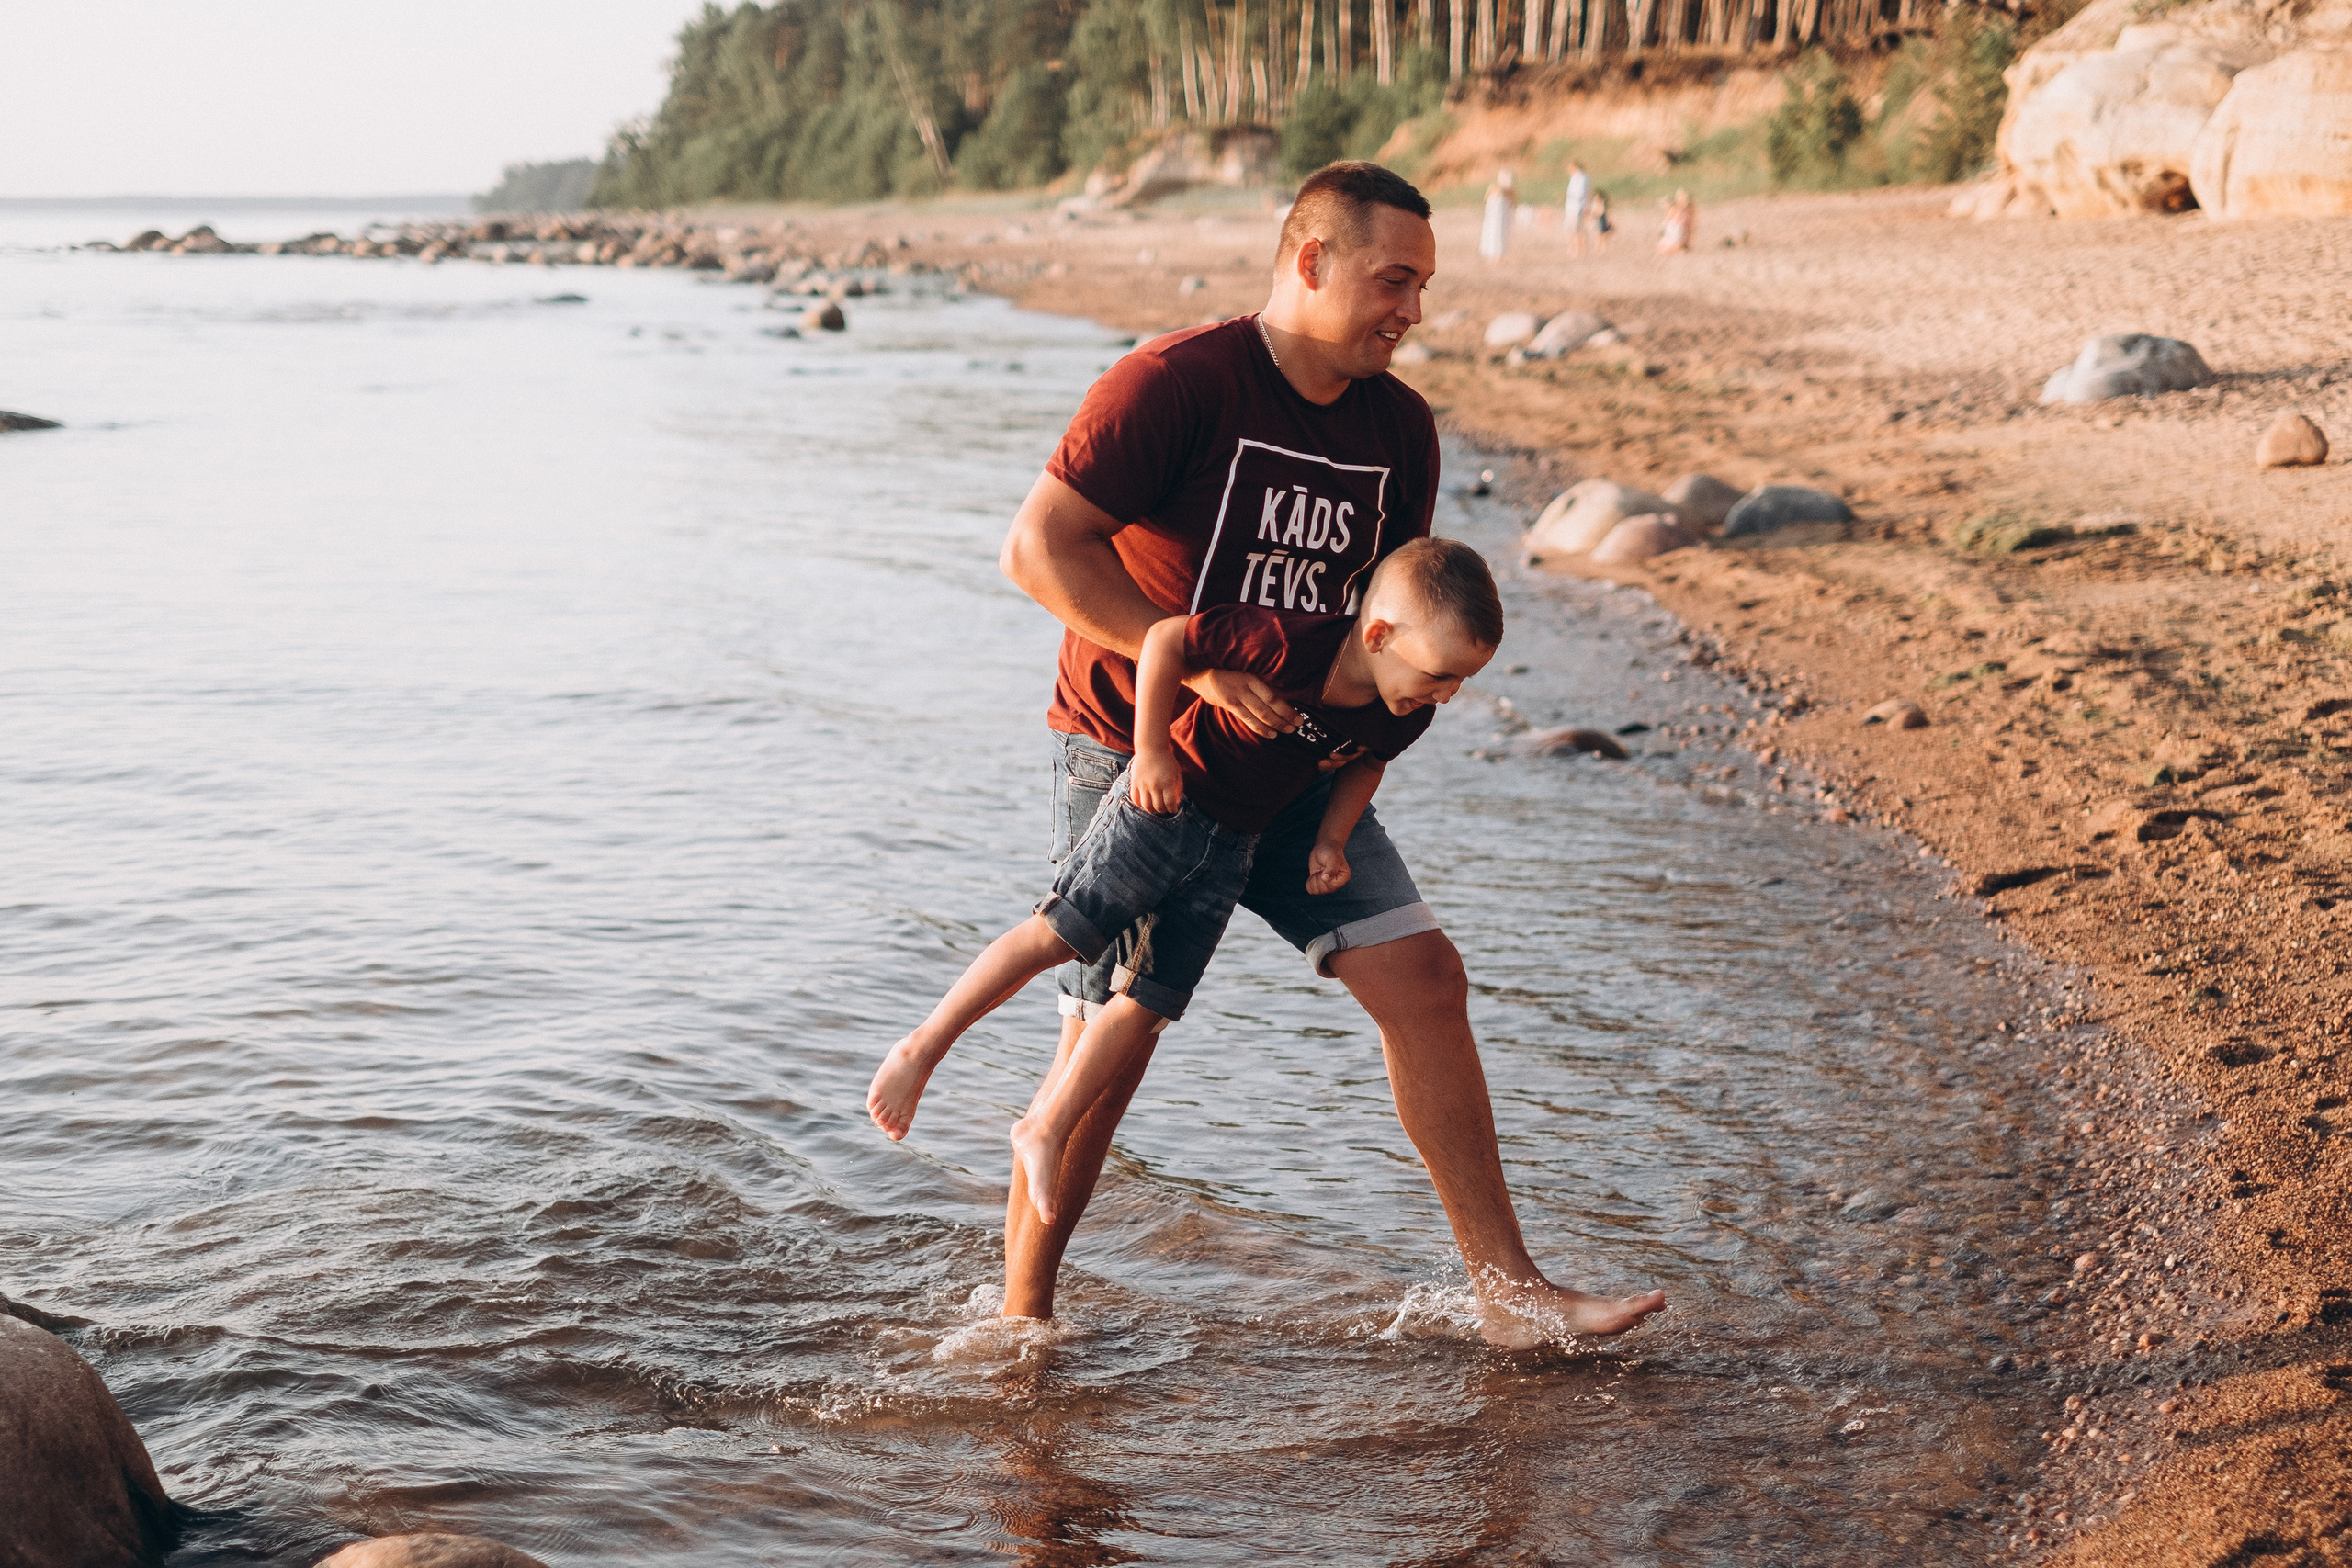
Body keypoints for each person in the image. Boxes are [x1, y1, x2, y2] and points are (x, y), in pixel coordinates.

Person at [993, 159, 1668, 1346]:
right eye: (1394, 279)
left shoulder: (1399, 427)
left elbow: (1399, 634)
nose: (1414, 308)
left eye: (1424, 284)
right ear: (1311, 262)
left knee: (1426, 977)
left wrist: (1353, 792)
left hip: (1303, 760)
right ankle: (1020, 1333)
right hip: (1144, 749)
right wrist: (1198, 671)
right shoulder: (1173, 382)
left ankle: (1510, 1297)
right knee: (1108, 1039)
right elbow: (1038, 551)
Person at [867, 539, 1500, 1230]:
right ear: (1378, 634)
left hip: (1233, 848)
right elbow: (1168, 641)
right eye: (1440, 675)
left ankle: (1045, 1124)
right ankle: (920, 1048)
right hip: (1161, 811)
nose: (1445, 695)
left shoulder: (1401, 707)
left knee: (1148, 1003)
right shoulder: (1288, 643)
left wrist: (1330, 838)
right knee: (1060, 933)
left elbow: (1365, 763)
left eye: (1459, 683)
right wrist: (1152, 751)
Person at [1478, 168, 1514, 262]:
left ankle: (1498, 254)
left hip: (1501, 218)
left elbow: (1511, 203)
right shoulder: (1495, 191)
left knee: (1501, 232)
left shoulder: (1507, 193)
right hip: (1494, 219)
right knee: (1494, 232)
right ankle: (1493, 254)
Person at [1564, 161, 1591, 259]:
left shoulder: (1581, 177)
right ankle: (1573, 249)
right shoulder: (1576, 177)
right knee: (1572, 229)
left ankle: (1579, 250)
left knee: (1577, 230)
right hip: (1572, 207)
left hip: (1577, 207)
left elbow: (1580, 193)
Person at [1658, 187, 1696, 255]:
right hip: (1680, 233)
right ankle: (1680, 247)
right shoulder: (1690, 208)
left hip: (1675, 231)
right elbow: (1690, 226)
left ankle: (1677, 248)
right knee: (1663, 246)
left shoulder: (1676, 208)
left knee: (1662, 247)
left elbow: (1667, 220)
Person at [1589, 189, 1613, 254]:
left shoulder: (1601, 204)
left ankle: (1602, 247)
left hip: (1601, 219)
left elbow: (1601, 212)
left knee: (1602, 234)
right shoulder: (1595, 204)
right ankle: (1599, 247)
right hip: (1598, 220)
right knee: (1599, 235)